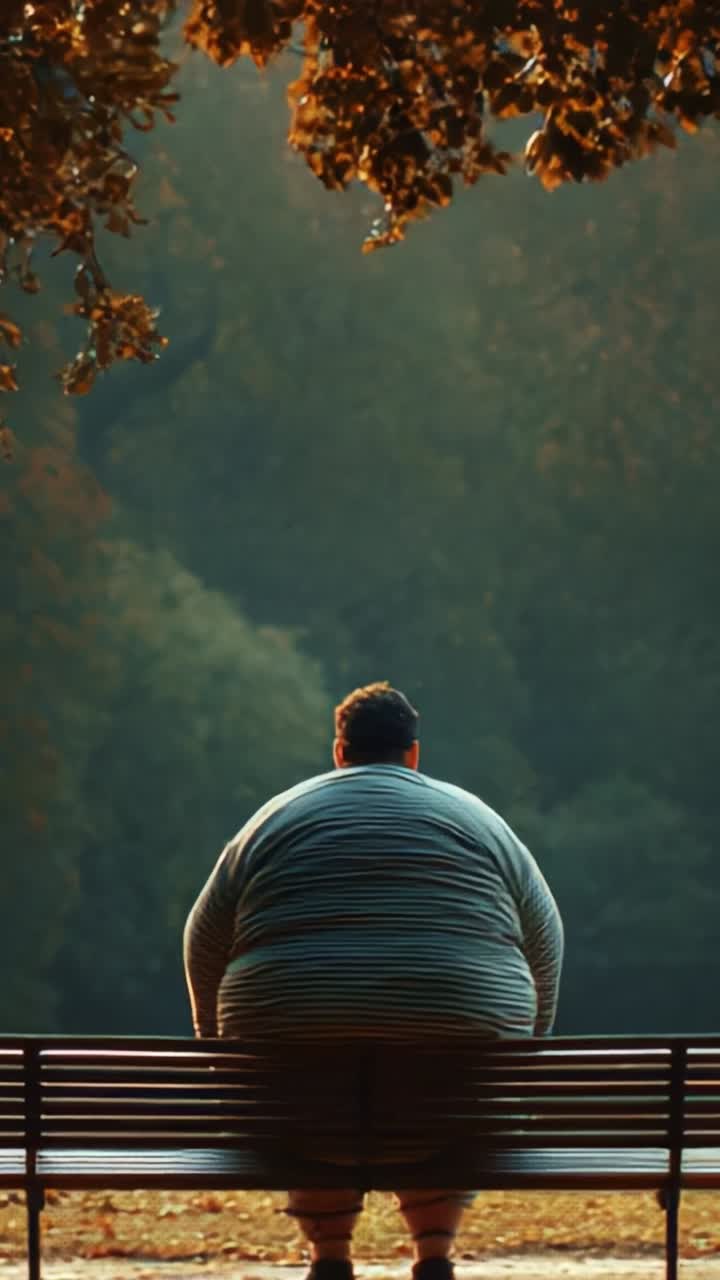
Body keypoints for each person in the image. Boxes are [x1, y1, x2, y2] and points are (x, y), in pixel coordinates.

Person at [184, 681, 563, 1280]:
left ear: (339, 752)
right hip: (455, 1093)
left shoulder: (273, 821)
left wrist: (219, 1053)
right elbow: (546, 939)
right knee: (441, 1076)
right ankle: (433, 1252)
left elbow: (202, 940)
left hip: (294, 1091)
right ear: (414, 754)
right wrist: (524, 1051)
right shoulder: (480, 820)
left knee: (309, 1076)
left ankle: (330, 1255)